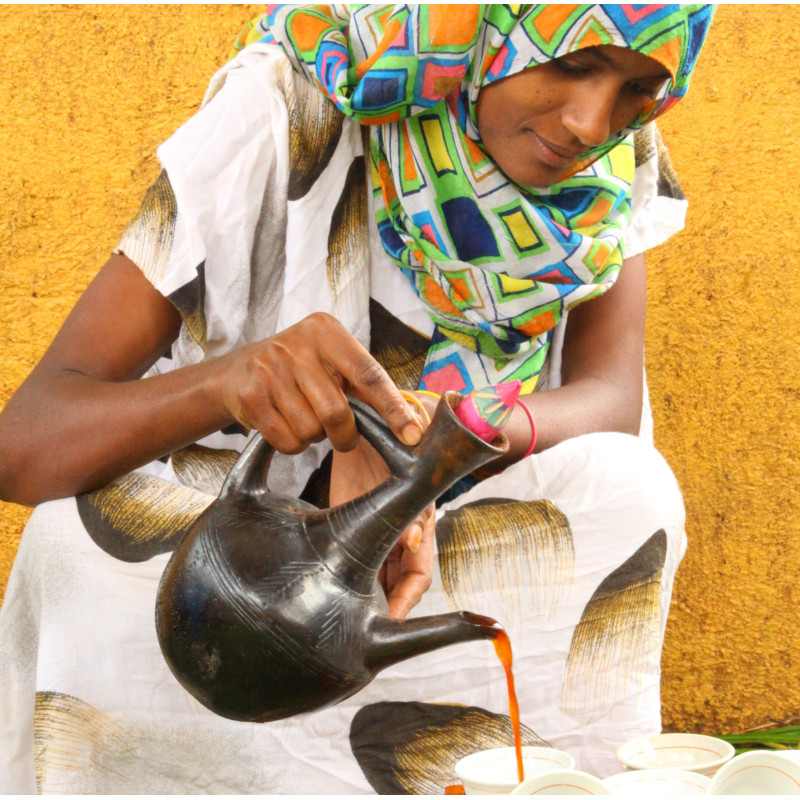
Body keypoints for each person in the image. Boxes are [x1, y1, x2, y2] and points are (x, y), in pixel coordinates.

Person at [0, 4, 714, 793]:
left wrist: (437, 445)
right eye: (572, 64)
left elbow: (609, 398)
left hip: (448, 521)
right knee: (74, 542)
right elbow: (26, 445)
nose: (590, 123)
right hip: (234, 526)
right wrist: (230, 383)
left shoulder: (618, 161)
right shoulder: (288, 105)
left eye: (639, 87)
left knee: (629, 488)